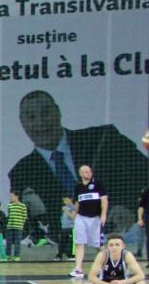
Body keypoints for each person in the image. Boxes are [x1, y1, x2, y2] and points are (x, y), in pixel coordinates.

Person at [8, 90, 147, 242]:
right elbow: (32, 223)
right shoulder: (22, 172)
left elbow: (144, 173)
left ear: (58, 112)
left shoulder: (102, 138)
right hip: (69, 247)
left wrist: (129, 207)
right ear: (22, 123)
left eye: (45, 113)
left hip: (124, 240)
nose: (40, 123)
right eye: (31, 117)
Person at [70, 165, 108, 278]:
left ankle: (106, 267)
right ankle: (78, 269)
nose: (88, 173)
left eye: (89, 171)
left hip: (95, 218)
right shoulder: (78, 187)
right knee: (79, 242)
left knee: (99, 245)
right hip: (81, 217)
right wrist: (74, 214)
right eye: (86, 172)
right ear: (80, 174)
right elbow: (77, 203)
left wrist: (103, 215)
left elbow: (104, 200)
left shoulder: (98, 184)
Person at [5, 190, 28, 261]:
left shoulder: (22, 206)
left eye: (12, 196)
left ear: (17, 196)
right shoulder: (9, 205)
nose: (11, 197)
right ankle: (8, 255)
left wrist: (21, 224)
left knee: (17, 242)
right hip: (10, 226)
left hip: (18, 227)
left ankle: (17, 256)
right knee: (8, 242)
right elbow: (9, 214)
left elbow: (24, 216)